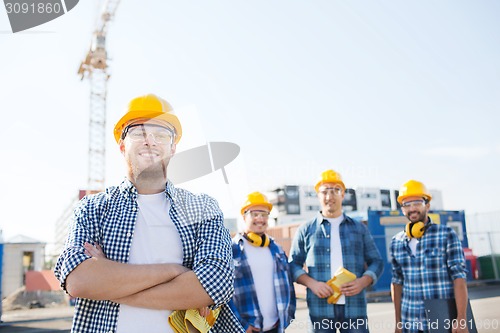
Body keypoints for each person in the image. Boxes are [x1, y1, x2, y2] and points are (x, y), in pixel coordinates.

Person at [54, 94, 244, 333]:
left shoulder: (203, 208)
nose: (150, 141)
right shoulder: (93, 208)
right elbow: (79, 281)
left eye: (162, 134)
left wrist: (108, 285)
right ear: (122, 146)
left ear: (173, 148)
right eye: (138, 133)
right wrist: (174, 270)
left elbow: (215, 285)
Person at [289, 169, 384, 333]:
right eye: (325, 191)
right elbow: (292, 265)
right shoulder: (305, 230)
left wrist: (363, 282)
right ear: (318, 195)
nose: (329, 196)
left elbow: (377, 262)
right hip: (320, 308)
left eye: (335, 190)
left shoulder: (359, 228)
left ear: (343, 194)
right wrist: (313, 284)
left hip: (355, 307)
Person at [390, 180, 469, 333]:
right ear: (402, 209)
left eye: (417, 202)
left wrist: (461, 319)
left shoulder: (446, 234)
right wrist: (398, 322)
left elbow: (459, 277)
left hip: (441, 320)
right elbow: (396, 283)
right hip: (409, 322)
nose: (412, 208)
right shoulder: (396, 242)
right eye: (406, 204)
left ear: (427, 205)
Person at [230, 192, 296, 333]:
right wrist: (241, 325)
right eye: (254, 214)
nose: (260, 218)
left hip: (276, 327)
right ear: (244, 216)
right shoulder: (231, 250)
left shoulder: (276, 249)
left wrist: (287, 316)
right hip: (246, 330)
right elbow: (221, 295)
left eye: (264, 214)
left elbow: (288, 284)